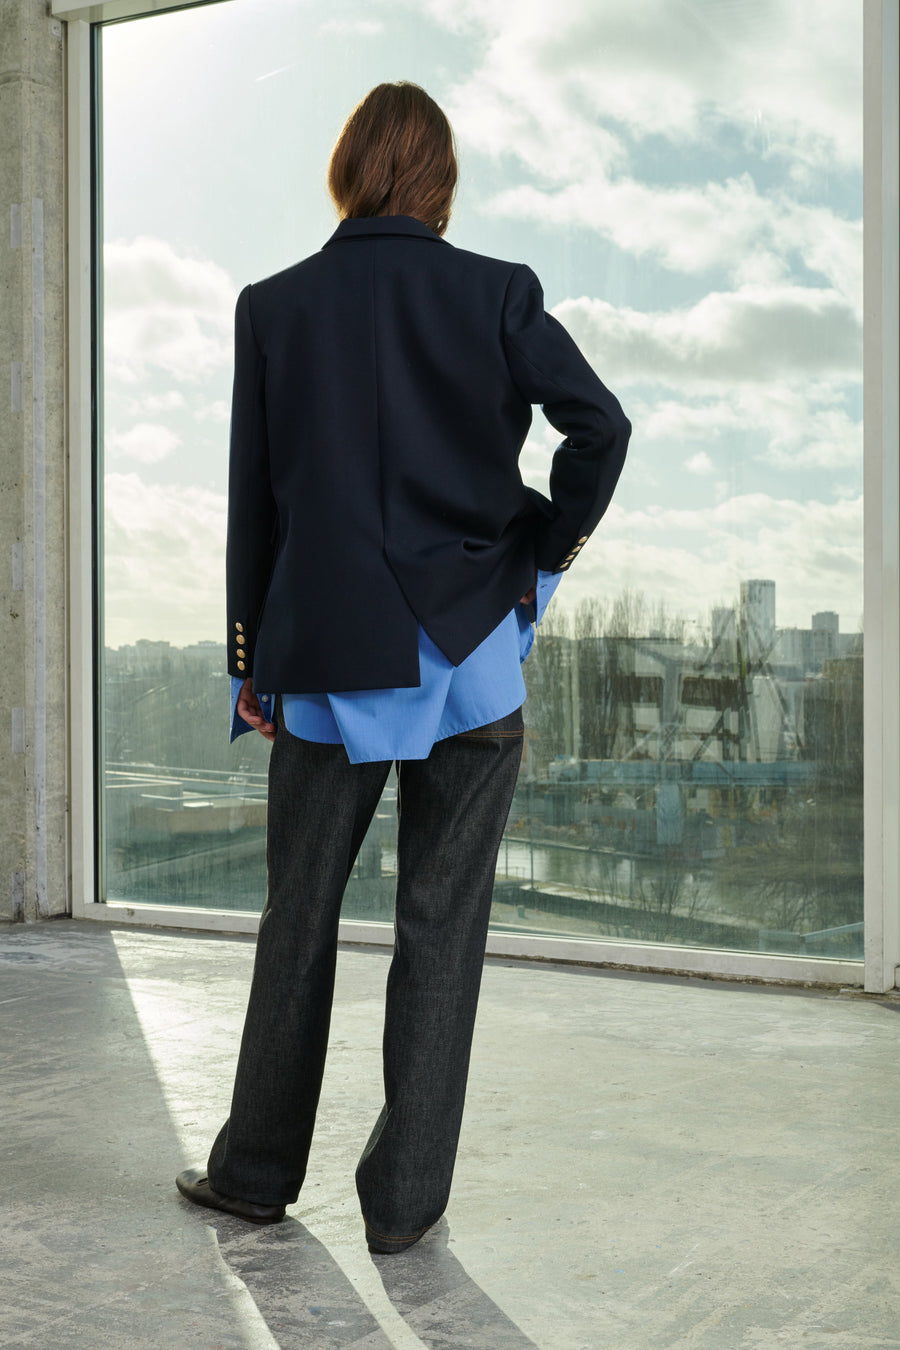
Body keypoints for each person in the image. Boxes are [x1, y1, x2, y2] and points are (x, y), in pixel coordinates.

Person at [176, 81, 630, 1255]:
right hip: (468, 650)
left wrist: (250, 660)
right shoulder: (498, 291)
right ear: (441, 181)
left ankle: (254, 1174)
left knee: (297, 918)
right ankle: (404, 1208)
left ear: (346, 169)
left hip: (327, 657)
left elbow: (253, 504)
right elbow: (602, 428)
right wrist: (541, 555)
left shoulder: (273, 305)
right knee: (442, 928)